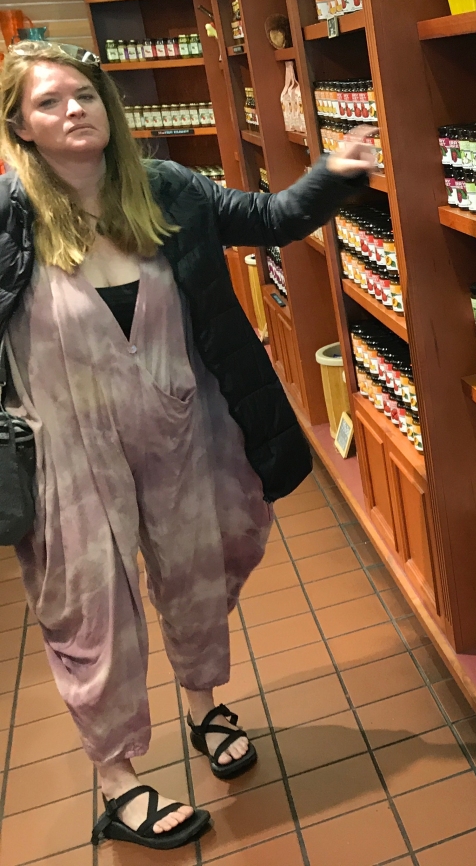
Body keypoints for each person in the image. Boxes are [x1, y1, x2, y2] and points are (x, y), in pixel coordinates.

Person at [0, 42, 377, 850]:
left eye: (85, 94)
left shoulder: (164, 189)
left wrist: (338, 171)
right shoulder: (7, 219)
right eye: (49, 102)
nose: (74, 110)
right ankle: (118, 779)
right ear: (20, 128)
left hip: (182, 425)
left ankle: (206, 706)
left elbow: (272, 218)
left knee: (198, 571)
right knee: (90, 610)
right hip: (68, 452)